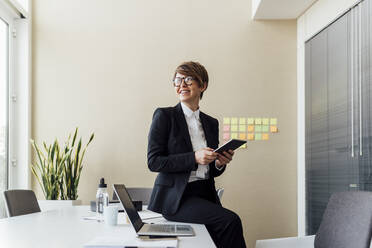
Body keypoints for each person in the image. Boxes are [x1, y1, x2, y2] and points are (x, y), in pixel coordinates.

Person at [147, 61, 246, 248]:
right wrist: (194, 157)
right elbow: (154, 162)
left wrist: (219, 163)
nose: (181, 84)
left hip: (205, 194)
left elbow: (212, 170)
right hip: (177, 198)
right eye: (177, 80)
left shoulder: (211, 122)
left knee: (219, 237)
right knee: (231, 221)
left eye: (189, 79)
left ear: (203, 85)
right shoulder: (164, 116)